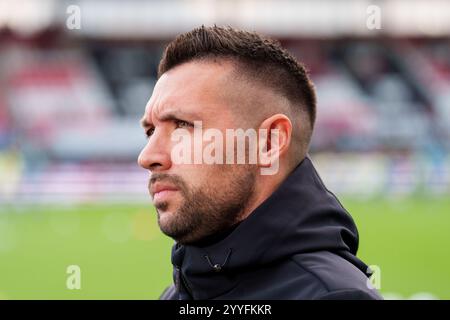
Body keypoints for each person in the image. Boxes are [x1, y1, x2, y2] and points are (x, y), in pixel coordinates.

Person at [138, 26, 383, 300]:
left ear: (268, 142)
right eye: (150, 131)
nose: (147, 157)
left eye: (182, 126)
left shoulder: (332, 296)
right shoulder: (178, 293)